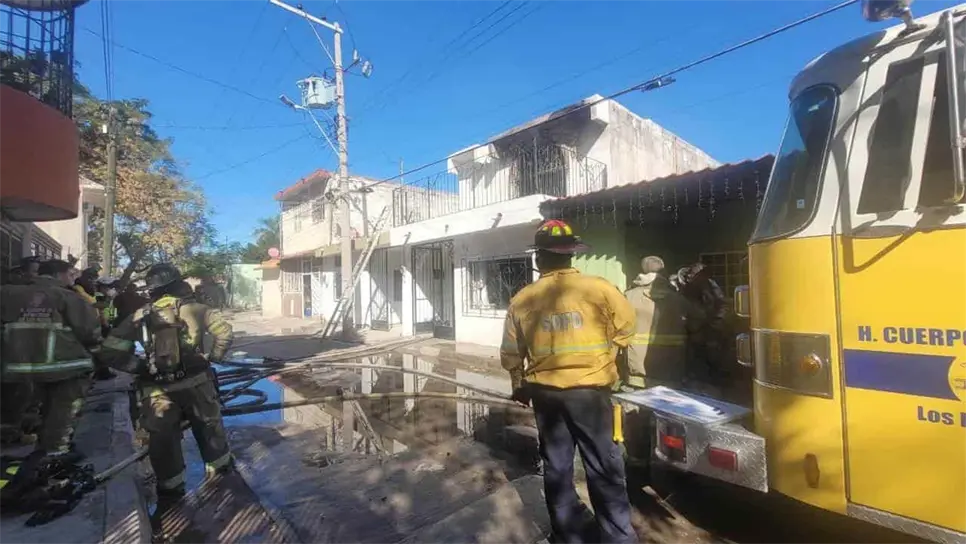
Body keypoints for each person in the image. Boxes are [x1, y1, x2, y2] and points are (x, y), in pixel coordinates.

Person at [500, 219, 638, 544]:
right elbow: (627, 329)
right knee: (603, 464)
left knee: (557, 465)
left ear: (539, 259)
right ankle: (617, 537)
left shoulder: (522, 299)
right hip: (590, 393)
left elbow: (510, 352)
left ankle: (567, 534)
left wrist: (518, 384)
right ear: (571, 255)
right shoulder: (601, 288)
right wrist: (606, 353)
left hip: (545, 395)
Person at [94, 263, 234, 503]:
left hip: (156, 390)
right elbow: (225, 332)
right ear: (178, 284)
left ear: (153, 290)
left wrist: (140, 368)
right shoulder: (198, 309)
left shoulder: (140, 315)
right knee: (209, 427)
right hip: (197, 384)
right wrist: (215, 357)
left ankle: (171, 491)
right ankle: (221, 479)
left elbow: (108, 352)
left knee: (163, 440)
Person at [0, 259, 102, 460]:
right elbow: (89, 332)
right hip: (63, 367)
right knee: (61, 411)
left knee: (21, 408)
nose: (73, 278)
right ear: (58, 275)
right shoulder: (67, 296)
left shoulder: (7, 293)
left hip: (17, 367)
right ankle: (54, 456)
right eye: (70, 274)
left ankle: (12, 444)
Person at [623, 256, 695, 390]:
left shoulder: (628, 297)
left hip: (638, 370)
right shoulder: (679, 298)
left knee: (638, 406)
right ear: (663, 271)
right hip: (672, 368)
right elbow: (695, 324)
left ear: (642, 271)